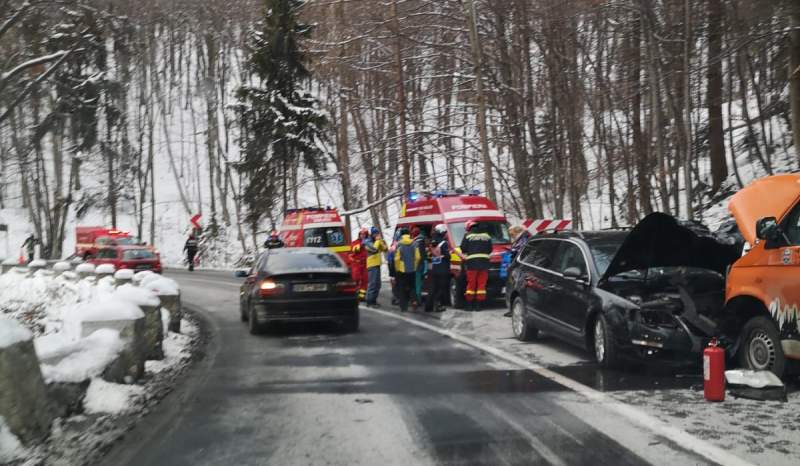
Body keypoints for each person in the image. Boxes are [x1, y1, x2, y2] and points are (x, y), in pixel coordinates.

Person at [459, 220, 492, 311]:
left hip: (472, 263)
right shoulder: (486, 235)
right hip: (484, 263)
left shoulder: (468, 235)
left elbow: (463, 248)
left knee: (471, 284)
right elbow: (490, 249)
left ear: (469, 227)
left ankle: (469, 305)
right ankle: (478, 306)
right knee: (481, 284)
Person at [393, 228, 420, 312]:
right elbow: (418, 257)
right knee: (412, 286)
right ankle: (414, 301)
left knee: (402, 288)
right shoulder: (414, 243)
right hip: (412, 269)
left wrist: (397, 268)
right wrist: (415, 266)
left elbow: (396, 259)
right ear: (409, 234)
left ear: (401, 234)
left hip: (402, 270)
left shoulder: (399, 244)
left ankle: (403, 307)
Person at [425, 224, 450, 313]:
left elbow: (429, 254)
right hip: (442, 268)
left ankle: (428, 306)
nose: (446, 234)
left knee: (432, 288)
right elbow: (447, 256)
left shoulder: (432, 242)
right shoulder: (444, 243)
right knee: (440, 288)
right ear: (442, 232)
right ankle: (438, 305)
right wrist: (448, 255)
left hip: (434, 268)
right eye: (445, 232)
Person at [364, 226, 388, 307]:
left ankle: (373, 300)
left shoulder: (377, 241)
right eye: (375, 233)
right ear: (372, 234)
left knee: (378, 284)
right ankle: (369, 301)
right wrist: (378, 241)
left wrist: (382, 241)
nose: (377, 235)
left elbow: (385, 249)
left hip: (377, 264)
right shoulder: (367, 242)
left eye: (378, 233)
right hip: (372, 264)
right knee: (373, 283)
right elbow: (374, 249)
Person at [350, 228, 369, 301]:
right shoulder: (355, 242)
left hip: (365, 264)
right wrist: (361, 244)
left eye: (364, 234)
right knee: (356, 280)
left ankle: (361, 297)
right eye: (361, 234)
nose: (363, 235)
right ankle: (354, 295)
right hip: (356, 264)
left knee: (365, 280)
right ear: (359, 235)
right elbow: (354, 249)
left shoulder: (368, 242)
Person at [410, 226, 427, 308]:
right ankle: (418, 299)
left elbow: (417, 256)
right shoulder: (422, 241)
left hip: (417, 266)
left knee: (417, 284)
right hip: (422, 265)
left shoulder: (416, 243)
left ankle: (417, 301)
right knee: (419, 283)